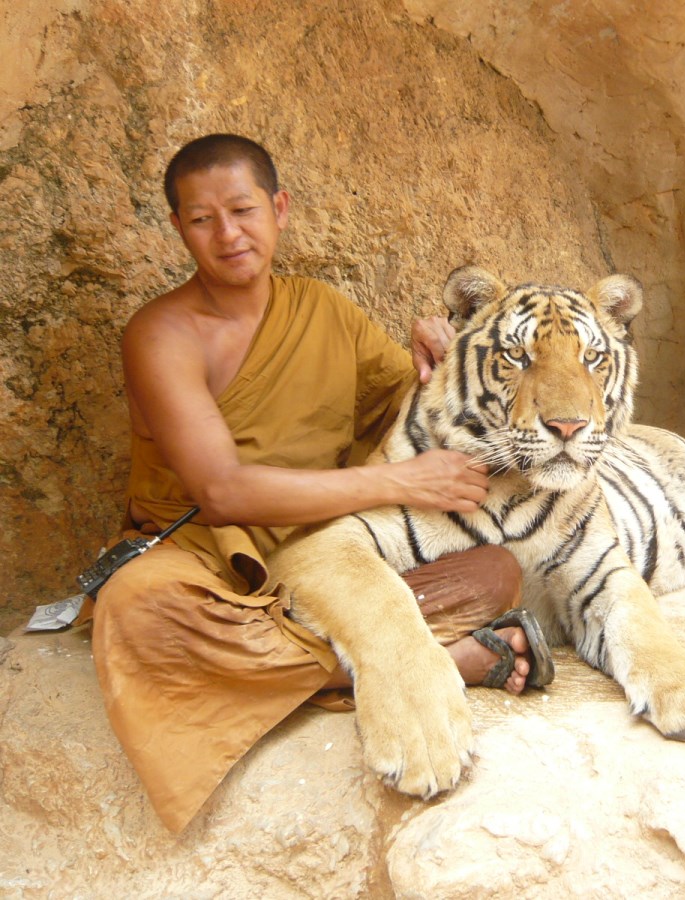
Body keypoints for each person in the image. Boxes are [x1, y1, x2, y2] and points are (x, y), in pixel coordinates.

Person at [81, 133, 549, 833]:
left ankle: (326, 660)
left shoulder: (326, 312)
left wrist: (440, 355)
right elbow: (224, 493)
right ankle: (446, 657)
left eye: (243, 209)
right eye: (203, 219)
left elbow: (415, 413)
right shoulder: (161, 334)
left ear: (280, 209)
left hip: (329, 557)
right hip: (209, 566)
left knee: (494, 571)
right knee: (138, 614)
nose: (228, 233)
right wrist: (401, 481)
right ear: (179, 228)